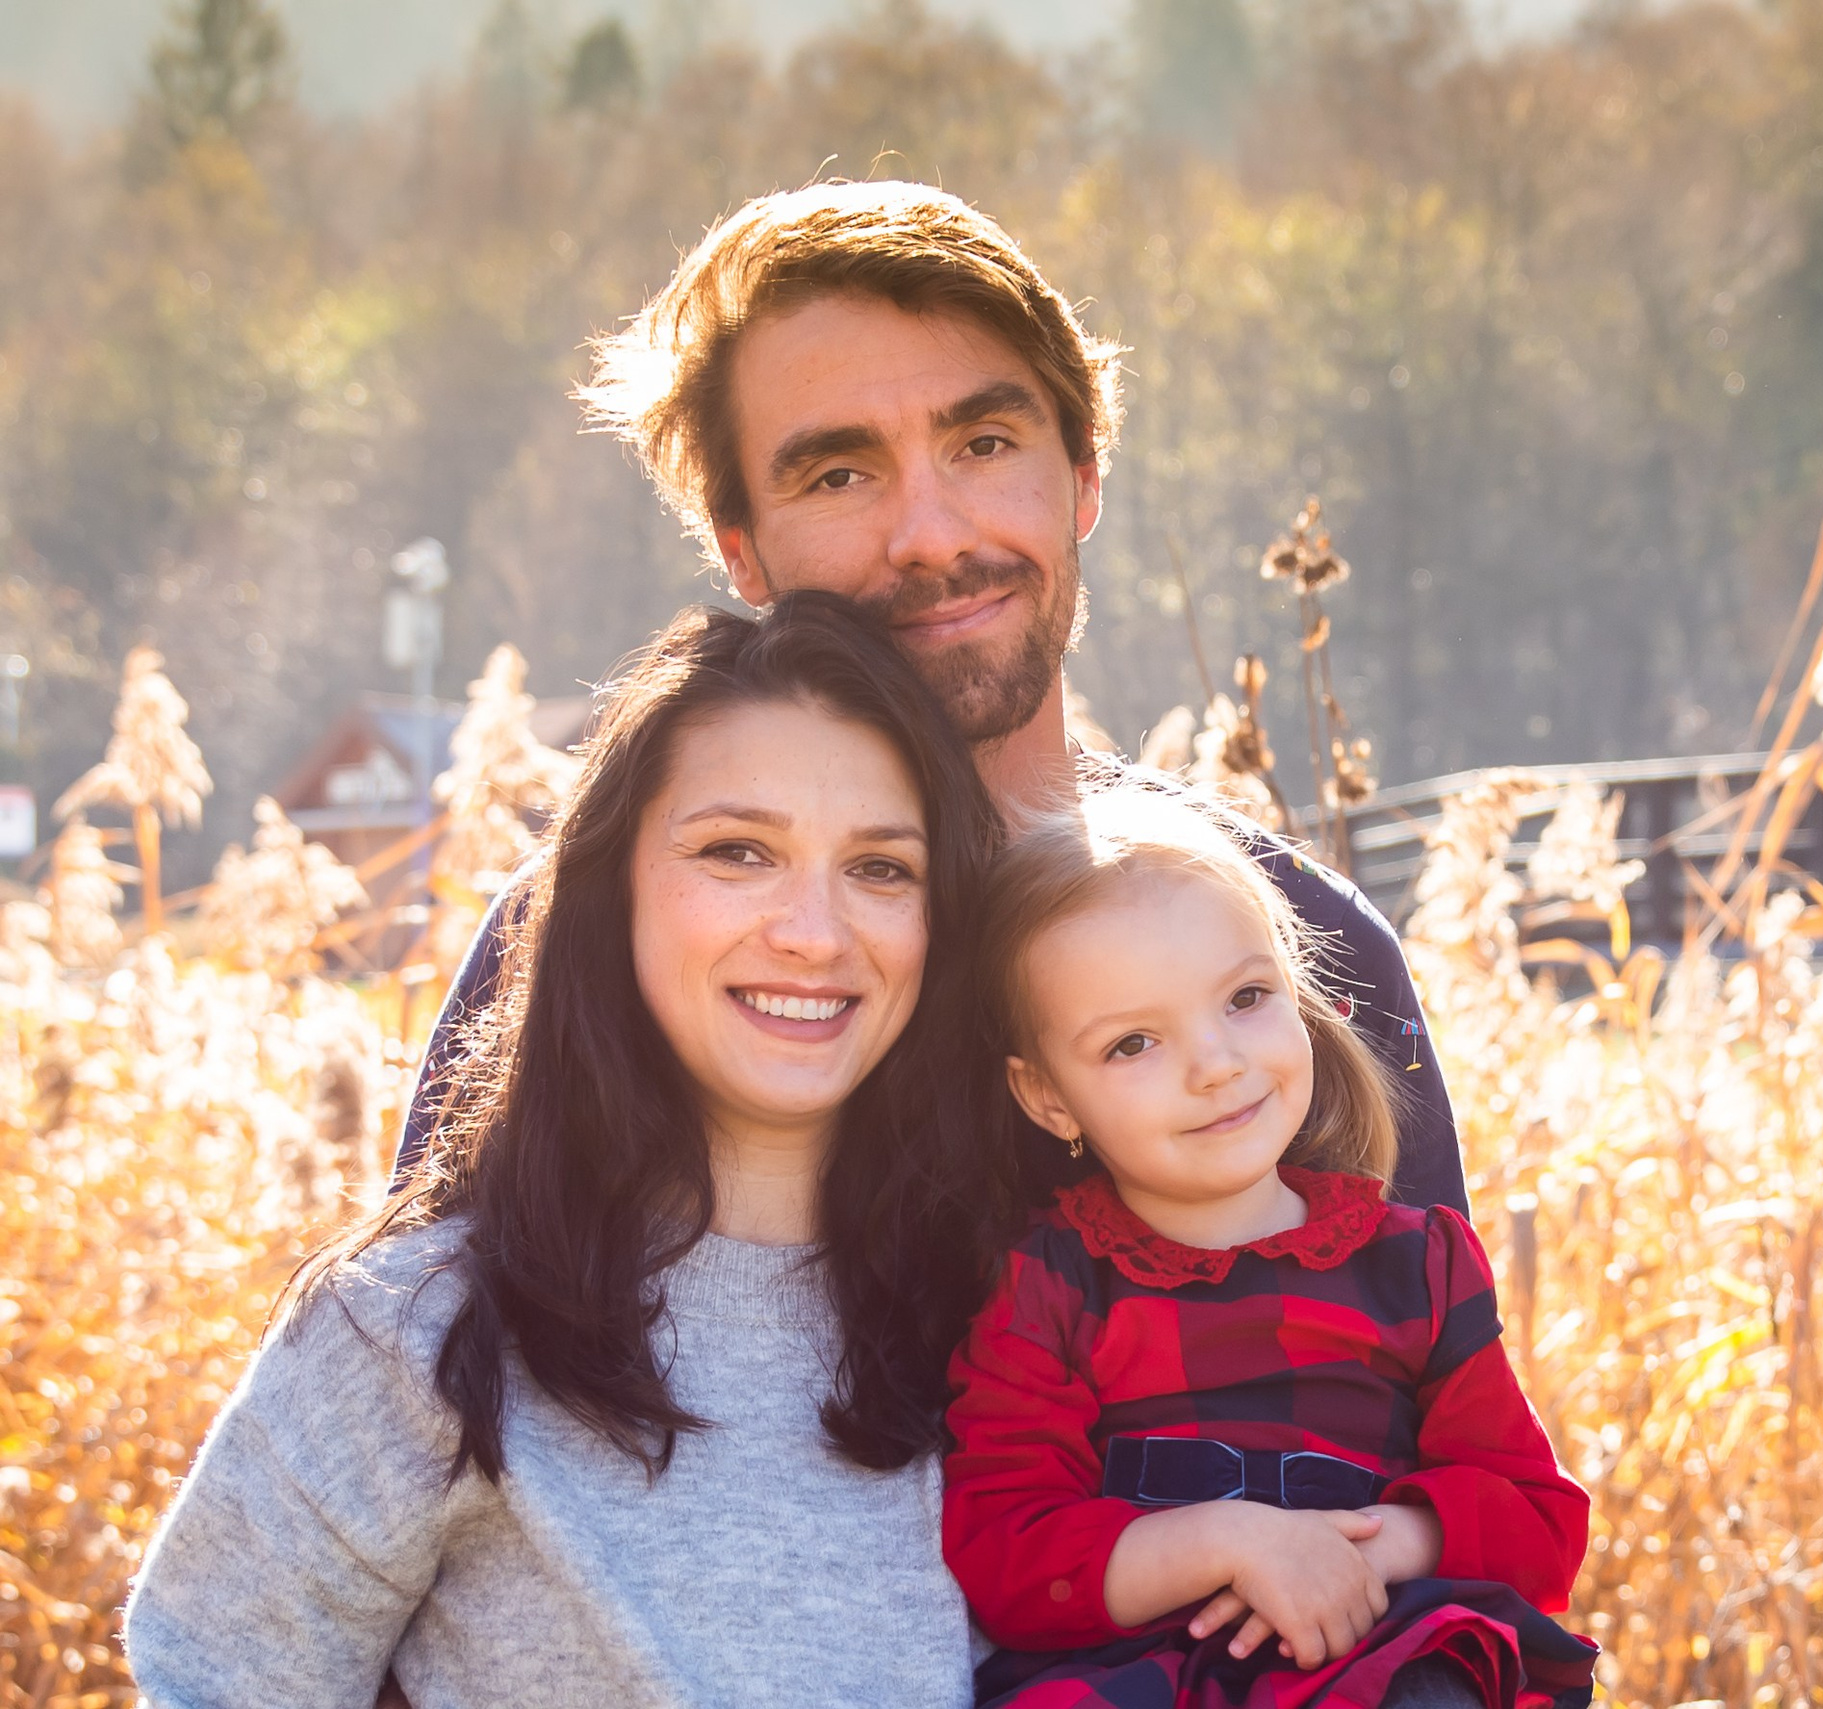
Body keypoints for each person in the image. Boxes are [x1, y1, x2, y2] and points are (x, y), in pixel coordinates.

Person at [401, 179, 1466, 1217]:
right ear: (743, 553)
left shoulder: (1291, 952)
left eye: (984, 445)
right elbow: (431, 1344)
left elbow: (1424, 1372)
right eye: (838, 476)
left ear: (1084, 475)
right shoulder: (618, 940)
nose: (933, 535)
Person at [125, 595, 1009, 1707]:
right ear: (613, 891)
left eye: (881, 867)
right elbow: (206, 1682)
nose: (815, 931)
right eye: (738, 851)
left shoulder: (1011, 1319)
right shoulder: (416, 1325)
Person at [942, 787, 1597, 1709]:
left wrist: (1362, 1546)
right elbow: (1005, 1548)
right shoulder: (1048, 1285)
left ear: (1298, 994)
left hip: (1372, 1650)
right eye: (1134, 1042)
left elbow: (1538, 1520)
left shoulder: (1415, 1266)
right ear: (1047, 1096)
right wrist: (1231, 1542)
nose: (1215, 1063)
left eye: (1247, 997)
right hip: (1141, 1675)